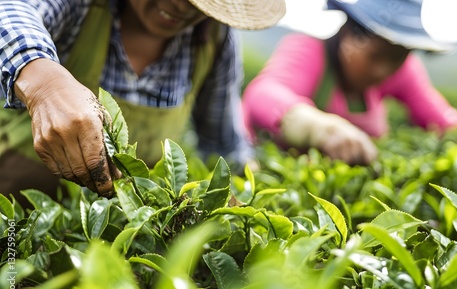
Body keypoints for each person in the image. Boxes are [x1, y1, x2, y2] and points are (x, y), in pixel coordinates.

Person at [0, 0, 286, 204]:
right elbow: (11, 9)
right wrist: (45, 83)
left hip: (112, 236)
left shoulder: (213, 38)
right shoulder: (85, 7)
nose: (183, 7)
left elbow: (224, 145)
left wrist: (248, 196)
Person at [242, 0, 457, 166]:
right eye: (376, 56)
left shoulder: (402, 71)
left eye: (398, 57)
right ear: (350, 35)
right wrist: (319, 128)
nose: (384, 70)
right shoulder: (309, 51)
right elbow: (262, 95)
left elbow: (441, 119)